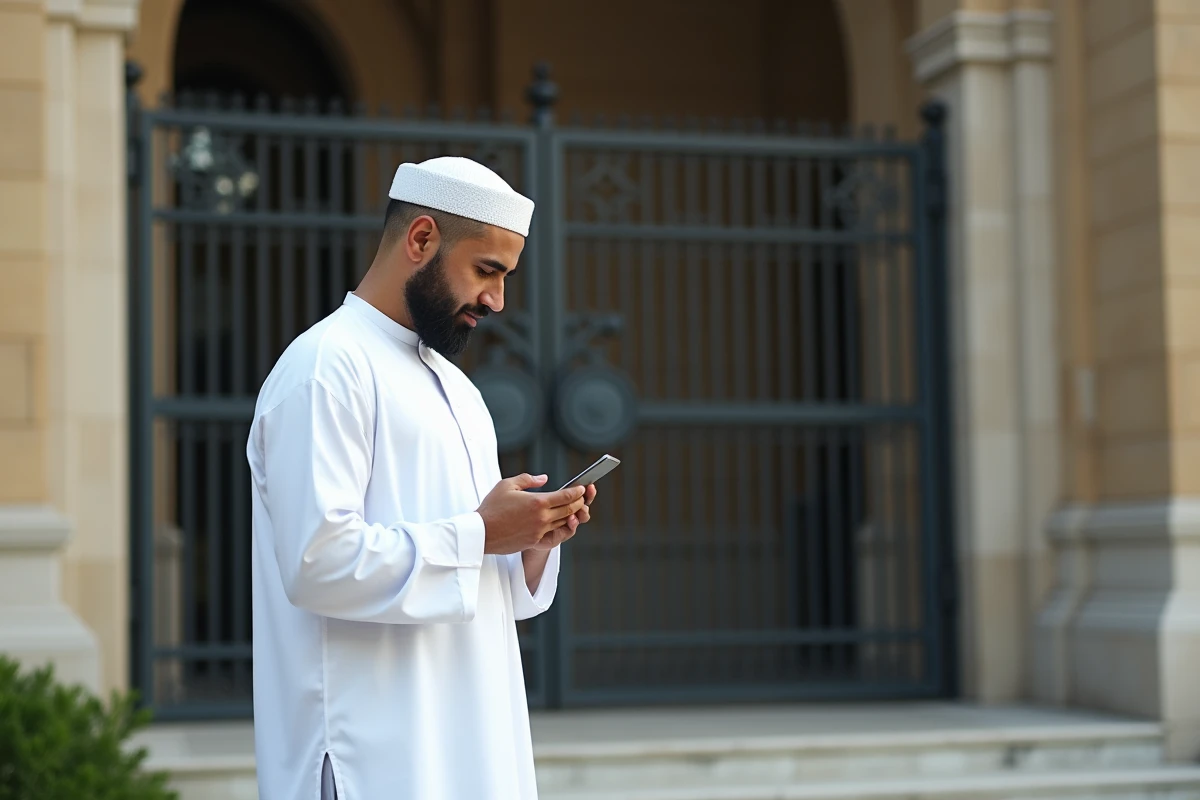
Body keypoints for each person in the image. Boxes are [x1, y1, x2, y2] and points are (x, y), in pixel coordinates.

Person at [246, 156, 597, 799]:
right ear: (421, 239)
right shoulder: (327, 367)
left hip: (473, 743)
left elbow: (480, 582)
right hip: (373, 755)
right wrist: (481, 535)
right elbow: (317, 562)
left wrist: (528, 545)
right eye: (487, 271)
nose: (497, 300)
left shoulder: (459, 390)